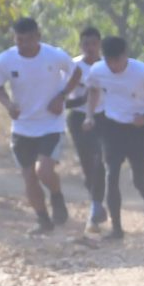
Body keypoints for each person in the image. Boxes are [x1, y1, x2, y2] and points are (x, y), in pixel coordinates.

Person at [0, 17, 78, 233]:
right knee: (29, 176)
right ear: (14, 38)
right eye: (19, 40)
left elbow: (76, 72)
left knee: (44, 171)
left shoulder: (54, 55)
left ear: (38, 37)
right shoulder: (5, 60)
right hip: (22, 127)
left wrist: (62, 97)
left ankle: (57, 197)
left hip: (51, 124)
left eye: (29, 39)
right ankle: (43, 220)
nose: (24, 44)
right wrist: (8, 104)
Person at [84, 34, 144, 239]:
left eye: (117, 61)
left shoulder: (143, 71)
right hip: (113, 127)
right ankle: (117, 229)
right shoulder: (98, 70)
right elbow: (93, 91)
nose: (113, 66)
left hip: (140, 128)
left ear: (125, 56)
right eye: (108, 61)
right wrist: (89, 115)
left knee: (139, 180)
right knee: (111, 175)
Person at [60, 25, 108, 229]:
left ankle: (95, 208)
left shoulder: (108, 67)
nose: (90, 48)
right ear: (80, 45)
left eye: (94, 44)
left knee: (100, 161)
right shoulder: (73, 67)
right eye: (86, 44)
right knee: (87, 163)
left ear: (100, 45)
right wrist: (81, 98)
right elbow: (61, 100)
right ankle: (95, 199)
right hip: (78, 118)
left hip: (104, 118)